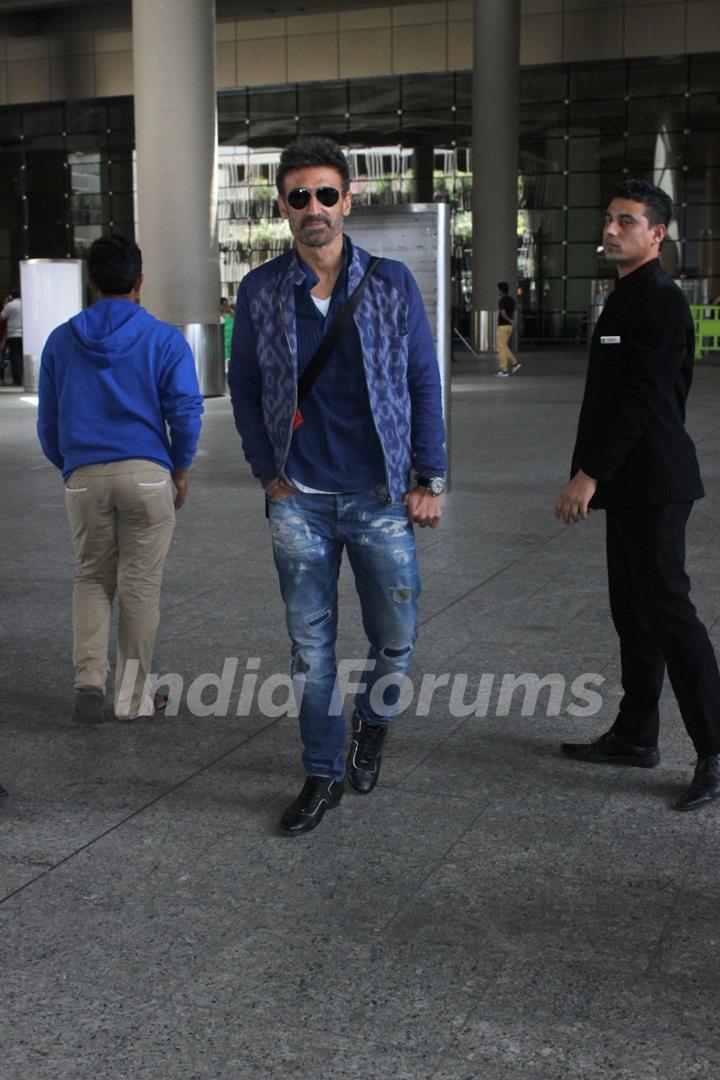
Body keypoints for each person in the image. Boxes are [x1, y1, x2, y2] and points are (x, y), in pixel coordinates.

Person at [229, 136, 447, 835]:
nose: (314, 208)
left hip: (381, 494)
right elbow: (243, 385)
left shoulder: (389, 282)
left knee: (397, 638)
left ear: (347, 200)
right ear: (284, 208)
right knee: (310, 647)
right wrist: (268, 472)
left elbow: (421, 380)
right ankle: (321, 772)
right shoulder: (263, 290)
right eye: (299, 196)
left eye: (326, 193)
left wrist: (429, 476)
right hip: (301, 498)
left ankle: (372, 724)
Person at [554, 178, 720, 813]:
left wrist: (588, 474)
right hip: (628, 483)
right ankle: (635, 734)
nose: (613, 228)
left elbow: (643, 400)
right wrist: (598, 475)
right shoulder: (625, 296)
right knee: (633, 613)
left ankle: (712, 750)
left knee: (670, 614)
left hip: (655, 482)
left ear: (657, 234)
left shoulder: (659, 299)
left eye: (627, 221)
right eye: (610, 218)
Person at [37, 234, 204, 725]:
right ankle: (133, 699)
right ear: (140, 281)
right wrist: (179, 467)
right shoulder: (164, 338)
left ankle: (89, 683)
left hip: (84, 477)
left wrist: (73, 466)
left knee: (91, 577)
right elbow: (187, 414)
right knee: (139, 586)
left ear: (91, 280)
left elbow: (48, 424)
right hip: (149, 476)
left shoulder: (61, 340)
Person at [495, 281, 520, 378]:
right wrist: (512, 321)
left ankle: (504, 370)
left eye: (498, 289)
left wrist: (509, 320)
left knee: (501, 348)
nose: (498, 291)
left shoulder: (502, 301)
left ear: (501, 290)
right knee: (504, 346)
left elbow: (503, 313)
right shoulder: (512, 300)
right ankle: (514, 363)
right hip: (509, 327)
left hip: (502, 326)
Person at [0, 289, 23, 386]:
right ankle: (23, 378)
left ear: (11, 296)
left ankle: (17, 380)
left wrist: (6, 303)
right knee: (21, 357)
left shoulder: (10, 305)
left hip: (13, 334)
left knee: (14, 357)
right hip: (23, 335)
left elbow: (1, 317)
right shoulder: (24, 304)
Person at [220, 297, 234, 366]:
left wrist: (231, 312)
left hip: (232, 344)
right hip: (224, 346)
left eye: (227, 304)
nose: (227, 306)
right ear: (220, 306)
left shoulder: (231, 315)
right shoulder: (219, 318)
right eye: (225, 305)